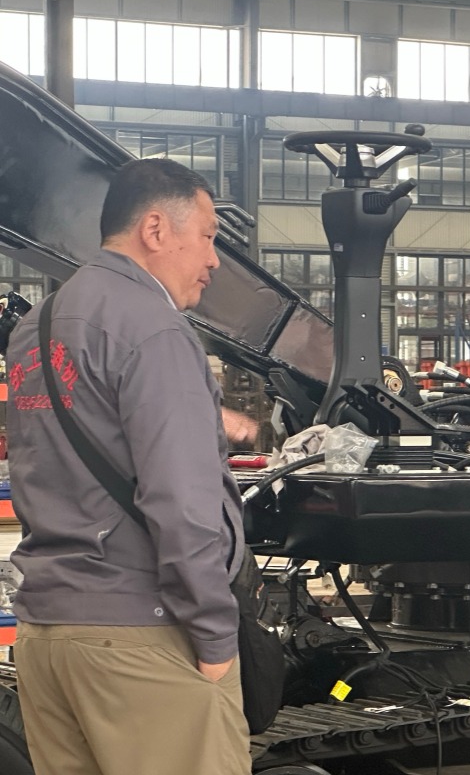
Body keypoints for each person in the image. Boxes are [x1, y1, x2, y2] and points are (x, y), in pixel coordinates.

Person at [6, 158, 252, 775]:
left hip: (48, 635)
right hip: (142, 635)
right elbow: (183, 503)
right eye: (209, 237)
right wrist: (216, 637)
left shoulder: (36, 328)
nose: (213, 260)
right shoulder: (154, 330)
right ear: (155, 229)